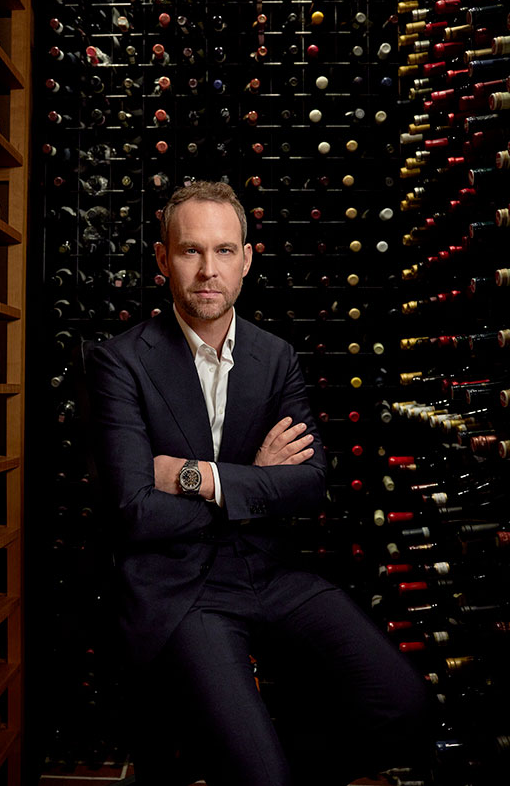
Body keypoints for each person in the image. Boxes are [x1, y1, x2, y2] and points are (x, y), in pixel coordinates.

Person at [87, 181, 430, 786]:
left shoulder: (276, 357)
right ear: (164, 259)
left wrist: (199, 478)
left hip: (271, 573)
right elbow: (134, 511)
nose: (207, 271)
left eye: (224, 251)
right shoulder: (122, 360)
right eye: (191, 251)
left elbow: (311, 482)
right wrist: (253, 488)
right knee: (257, 773)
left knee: (405, 708)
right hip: (181, 587)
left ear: (248, 259)